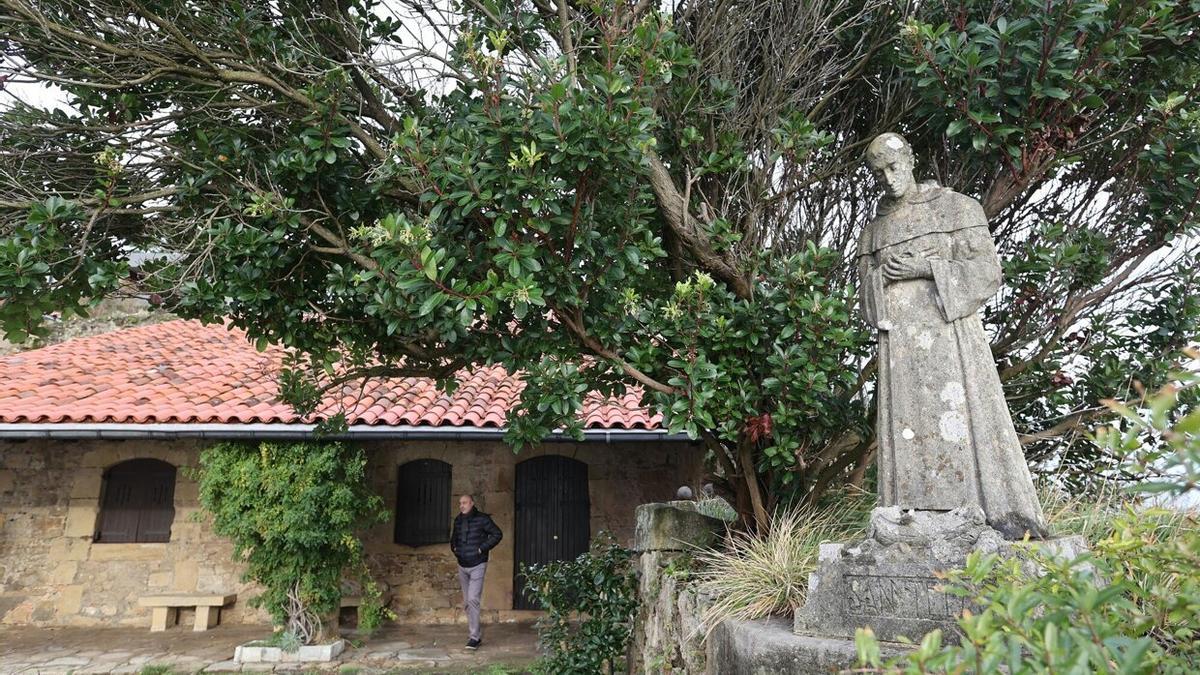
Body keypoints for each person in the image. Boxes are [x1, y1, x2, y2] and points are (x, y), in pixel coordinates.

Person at [856, 132, 1047, 540]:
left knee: (967, 420)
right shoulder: (874, 232)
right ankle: (910, 516)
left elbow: (986, 272)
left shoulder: (956, 208)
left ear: (910, 159)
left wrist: (928, 268)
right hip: (900, 351)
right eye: (879, 173)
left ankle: (986, 515)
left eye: (894, 166)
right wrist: (880, 278)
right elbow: (865, 300)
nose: (889, 179)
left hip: (952, 340)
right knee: (904, 426)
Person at [450, 494, 502, 650]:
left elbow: (497, 534)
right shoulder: (458, 520)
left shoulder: (483, 519)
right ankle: (473, 632)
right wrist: (455, 550)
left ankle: (474, 637)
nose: (462, 505)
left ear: (472, 503)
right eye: (460, 503)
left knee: (473, 599)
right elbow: (454, 539)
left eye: (465, 503)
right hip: (462, 565)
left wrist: (481, 549)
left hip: (478, 564)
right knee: (467, 602)